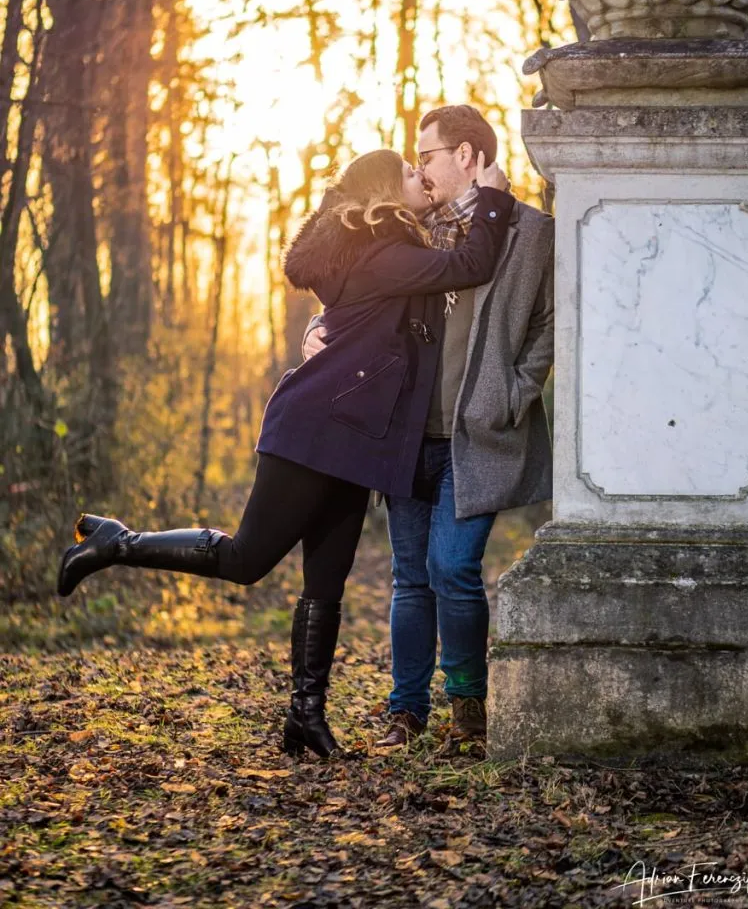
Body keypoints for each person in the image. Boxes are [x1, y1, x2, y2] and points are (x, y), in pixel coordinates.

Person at [58, 147, 514, 760]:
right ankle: (119, 542)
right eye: (409, 171)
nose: (419, 176)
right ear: (382, 190)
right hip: (313, 428)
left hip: (359, 439)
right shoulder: (383, 254)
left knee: (326, 582)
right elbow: (472, 262)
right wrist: (494, 196)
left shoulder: (385, 248)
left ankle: (305, 717)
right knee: (248, 558)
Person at [302, 107, 554, 752]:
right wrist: (321, 331)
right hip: (407, 434)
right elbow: (350, 293)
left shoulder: (529, 233)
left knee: (453, 568)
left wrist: (516, 389)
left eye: (428, 155)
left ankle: (467, 706)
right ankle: (405, 711)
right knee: (410, 577)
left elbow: (552, 321)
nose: (419, 168)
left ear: (466, 156)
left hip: (481, 434)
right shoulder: (410, 231)